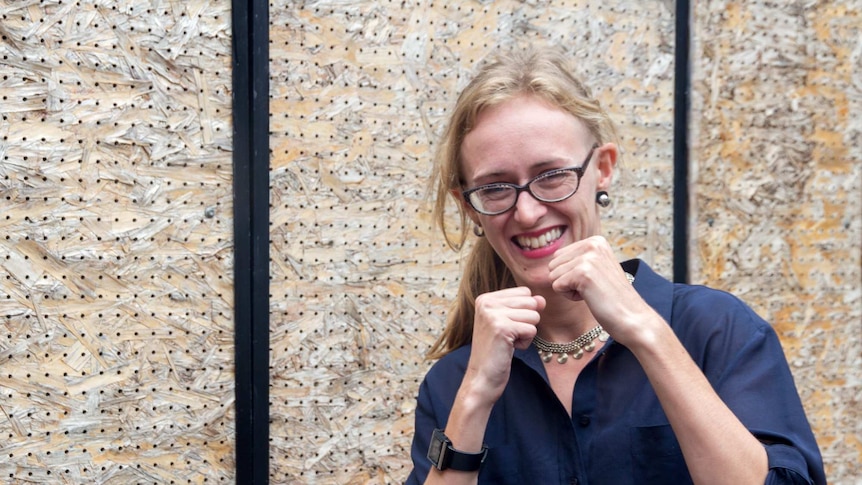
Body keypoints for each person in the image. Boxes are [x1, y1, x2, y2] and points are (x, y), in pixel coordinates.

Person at [405, 46, 826, 485]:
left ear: (602, 169)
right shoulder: (452, 383)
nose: (527, 213)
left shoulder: (716, 331)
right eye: (496, 188)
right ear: (470, 207)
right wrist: (473, 398)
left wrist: (645, 331)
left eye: (551, 176)